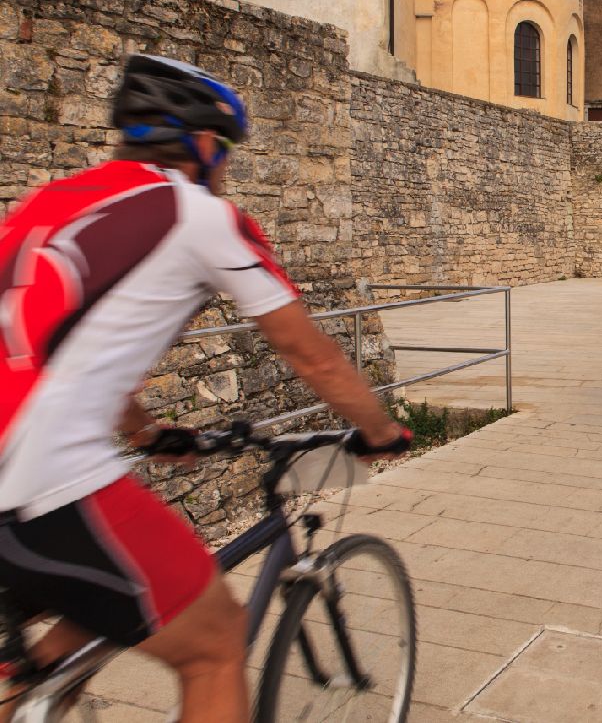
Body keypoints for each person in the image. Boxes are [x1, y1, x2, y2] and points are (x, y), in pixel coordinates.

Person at [0, 55, 410, 723]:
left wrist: (145, 431)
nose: (225, 166)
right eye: (225, 151)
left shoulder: (46, 204)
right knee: (215, 640)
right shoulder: (196, 215)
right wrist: (380, 431)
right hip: (38, 476)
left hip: (17, 470)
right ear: (201, 143)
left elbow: (59, 342)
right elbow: (311, 354)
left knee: (107, 612)